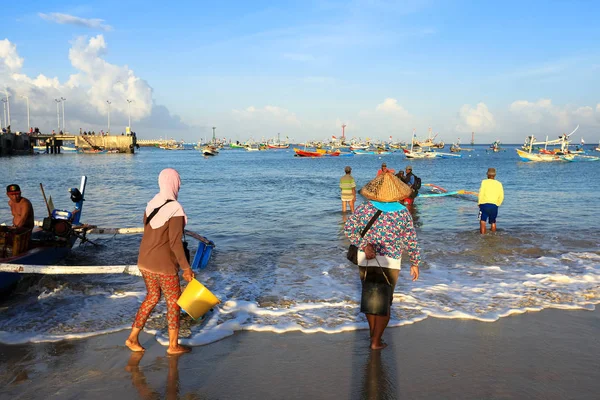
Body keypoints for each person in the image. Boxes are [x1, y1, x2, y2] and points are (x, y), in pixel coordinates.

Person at [344, 172, 421, 350]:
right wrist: (415, 263)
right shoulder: (403, 213)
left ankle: (373, 334)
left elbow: (349, 229)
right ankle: (376, 341)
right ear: (397, 192)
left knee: (371, 300)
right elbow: (411, 240)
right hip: (390, 261)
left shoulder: (365, 208)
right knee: (386, 302)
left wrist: (364, 245)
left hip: (366, 259)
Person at [126, 168, 195, 355]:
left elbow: (150, 230)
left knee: (152, 297)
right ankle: (173, 346)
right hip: (164, 265)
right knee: (173, 302)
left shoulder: (151, 204)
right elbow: (175, 243)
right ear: (175, 183)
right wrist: (186, 268)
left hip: (145, 261)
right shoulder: (175, 208)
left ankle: (132, 338)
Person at [478, 167, 504, 234]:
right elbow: (501, 196)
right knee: (493, 221)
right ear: (494, 175)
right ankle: (493, 235)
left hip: (484, 204)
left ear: (487, 174)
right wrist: (498, 204)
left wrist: (479, 203)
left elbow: (481, 193)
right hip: (494, 205)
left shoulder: (484, 182)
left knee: (482, 221)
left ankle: (482, 236)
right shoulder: (499, 183)